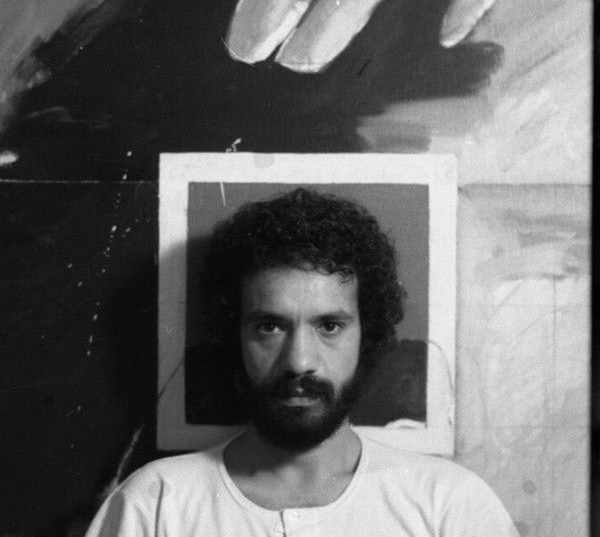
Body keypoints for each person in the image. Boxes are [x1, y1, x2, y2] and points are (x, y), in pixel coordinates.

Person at [85, 187, 518, 536]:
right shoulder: (156, 505)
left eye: (329, 326)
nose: (299, 361)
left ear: (366, 335)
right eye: (270, 327)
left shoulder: (451, 506)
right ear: (234, 334)